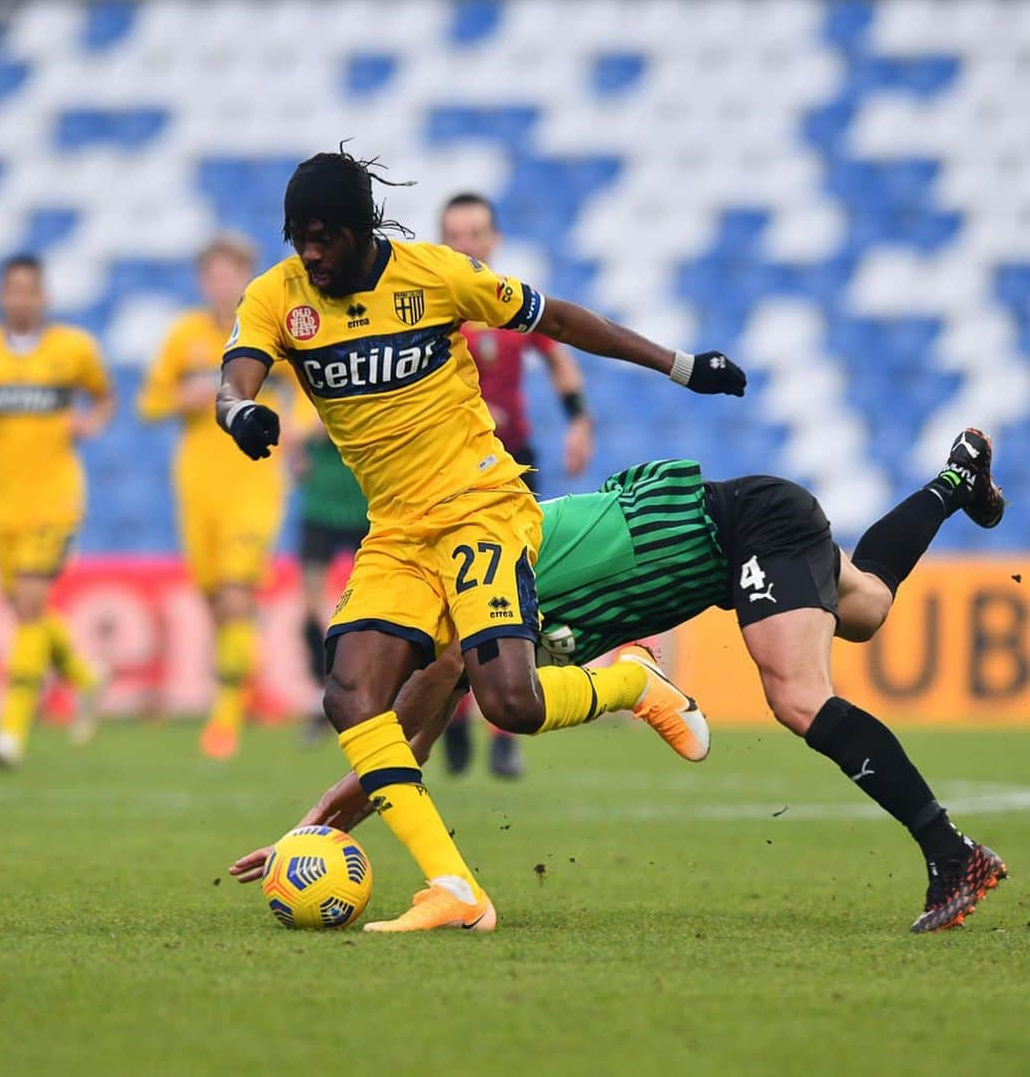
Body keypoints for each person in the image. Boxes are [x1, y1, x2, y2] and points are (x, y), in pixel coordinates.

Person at [215, 148, 746, 933]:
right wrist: (240, 414)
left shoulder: (437, 276)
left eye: (325, 236)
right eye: (299, 237)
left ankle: (632, 683)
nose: (311, 253)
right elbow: (236, 378)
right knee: (350, 694)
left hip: (481, 508)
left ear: (360, 229)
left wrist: (679, 366)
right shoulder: (278, 295)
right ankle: (455, 888)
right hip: (396, 530)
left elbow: (560, 319)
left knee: (509, 703)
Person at [231, 430, 1009, 934]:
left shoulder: (463, 601)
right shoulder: (464, 636)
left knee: (796, 697)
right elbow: (399, 749)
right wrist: (315, 833)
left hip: (743, 522)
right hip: (734, 539)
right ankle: (955, 479)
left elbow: (395, 737)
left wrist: (318, 827)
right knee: (866, 605)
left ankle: (951, 852)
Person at [439, 191, 597, 780]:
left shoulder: (511, 302)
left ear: (494, 240)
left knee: (513, 598)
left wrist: (578, 418)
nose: (466, 244)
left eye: (476, 233)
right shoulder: (432, 305)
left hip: (514, 461)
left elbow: (559, 358)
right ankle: (454, 720)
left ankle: (505, 731)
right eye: (455, 234)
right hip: (449, 465)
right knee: (451, 600)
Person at [0, 254, 115, 767]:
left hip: (56, 499)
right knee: (28, 609)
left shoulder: (73, 349)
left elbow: (104, 398)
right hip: (0, 504)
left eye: (30, 290)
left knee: (27, 600)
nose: (21, 298)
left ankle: (10, 731)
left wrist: (90, 423)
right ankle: (86, 677)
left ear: (43, 297)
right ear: (1, 296)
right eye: (12, 290)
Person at [138, 234, 298, 759]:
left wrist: (296, 428)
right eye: (212, 275)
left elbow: (311, 391)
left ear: (246, 279)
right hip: (197, 487)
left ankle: (224, 720)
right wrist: (178, 398)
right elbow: (150, 402)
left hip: (254, 482)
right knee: (217, 603)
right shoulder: (184, 336)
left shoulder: (267, 330)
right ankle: (252, 692)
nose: (220, 284)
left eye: (230, 274)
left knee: (234, 594)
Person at [291, 408, 368, 740]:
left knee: (373, 604)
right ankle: (319, 694)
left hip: (363, 509)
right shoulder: (300, 386)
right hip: (319, 510)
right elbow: (295, 451)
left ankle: (373, 691)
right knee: (311, 605)